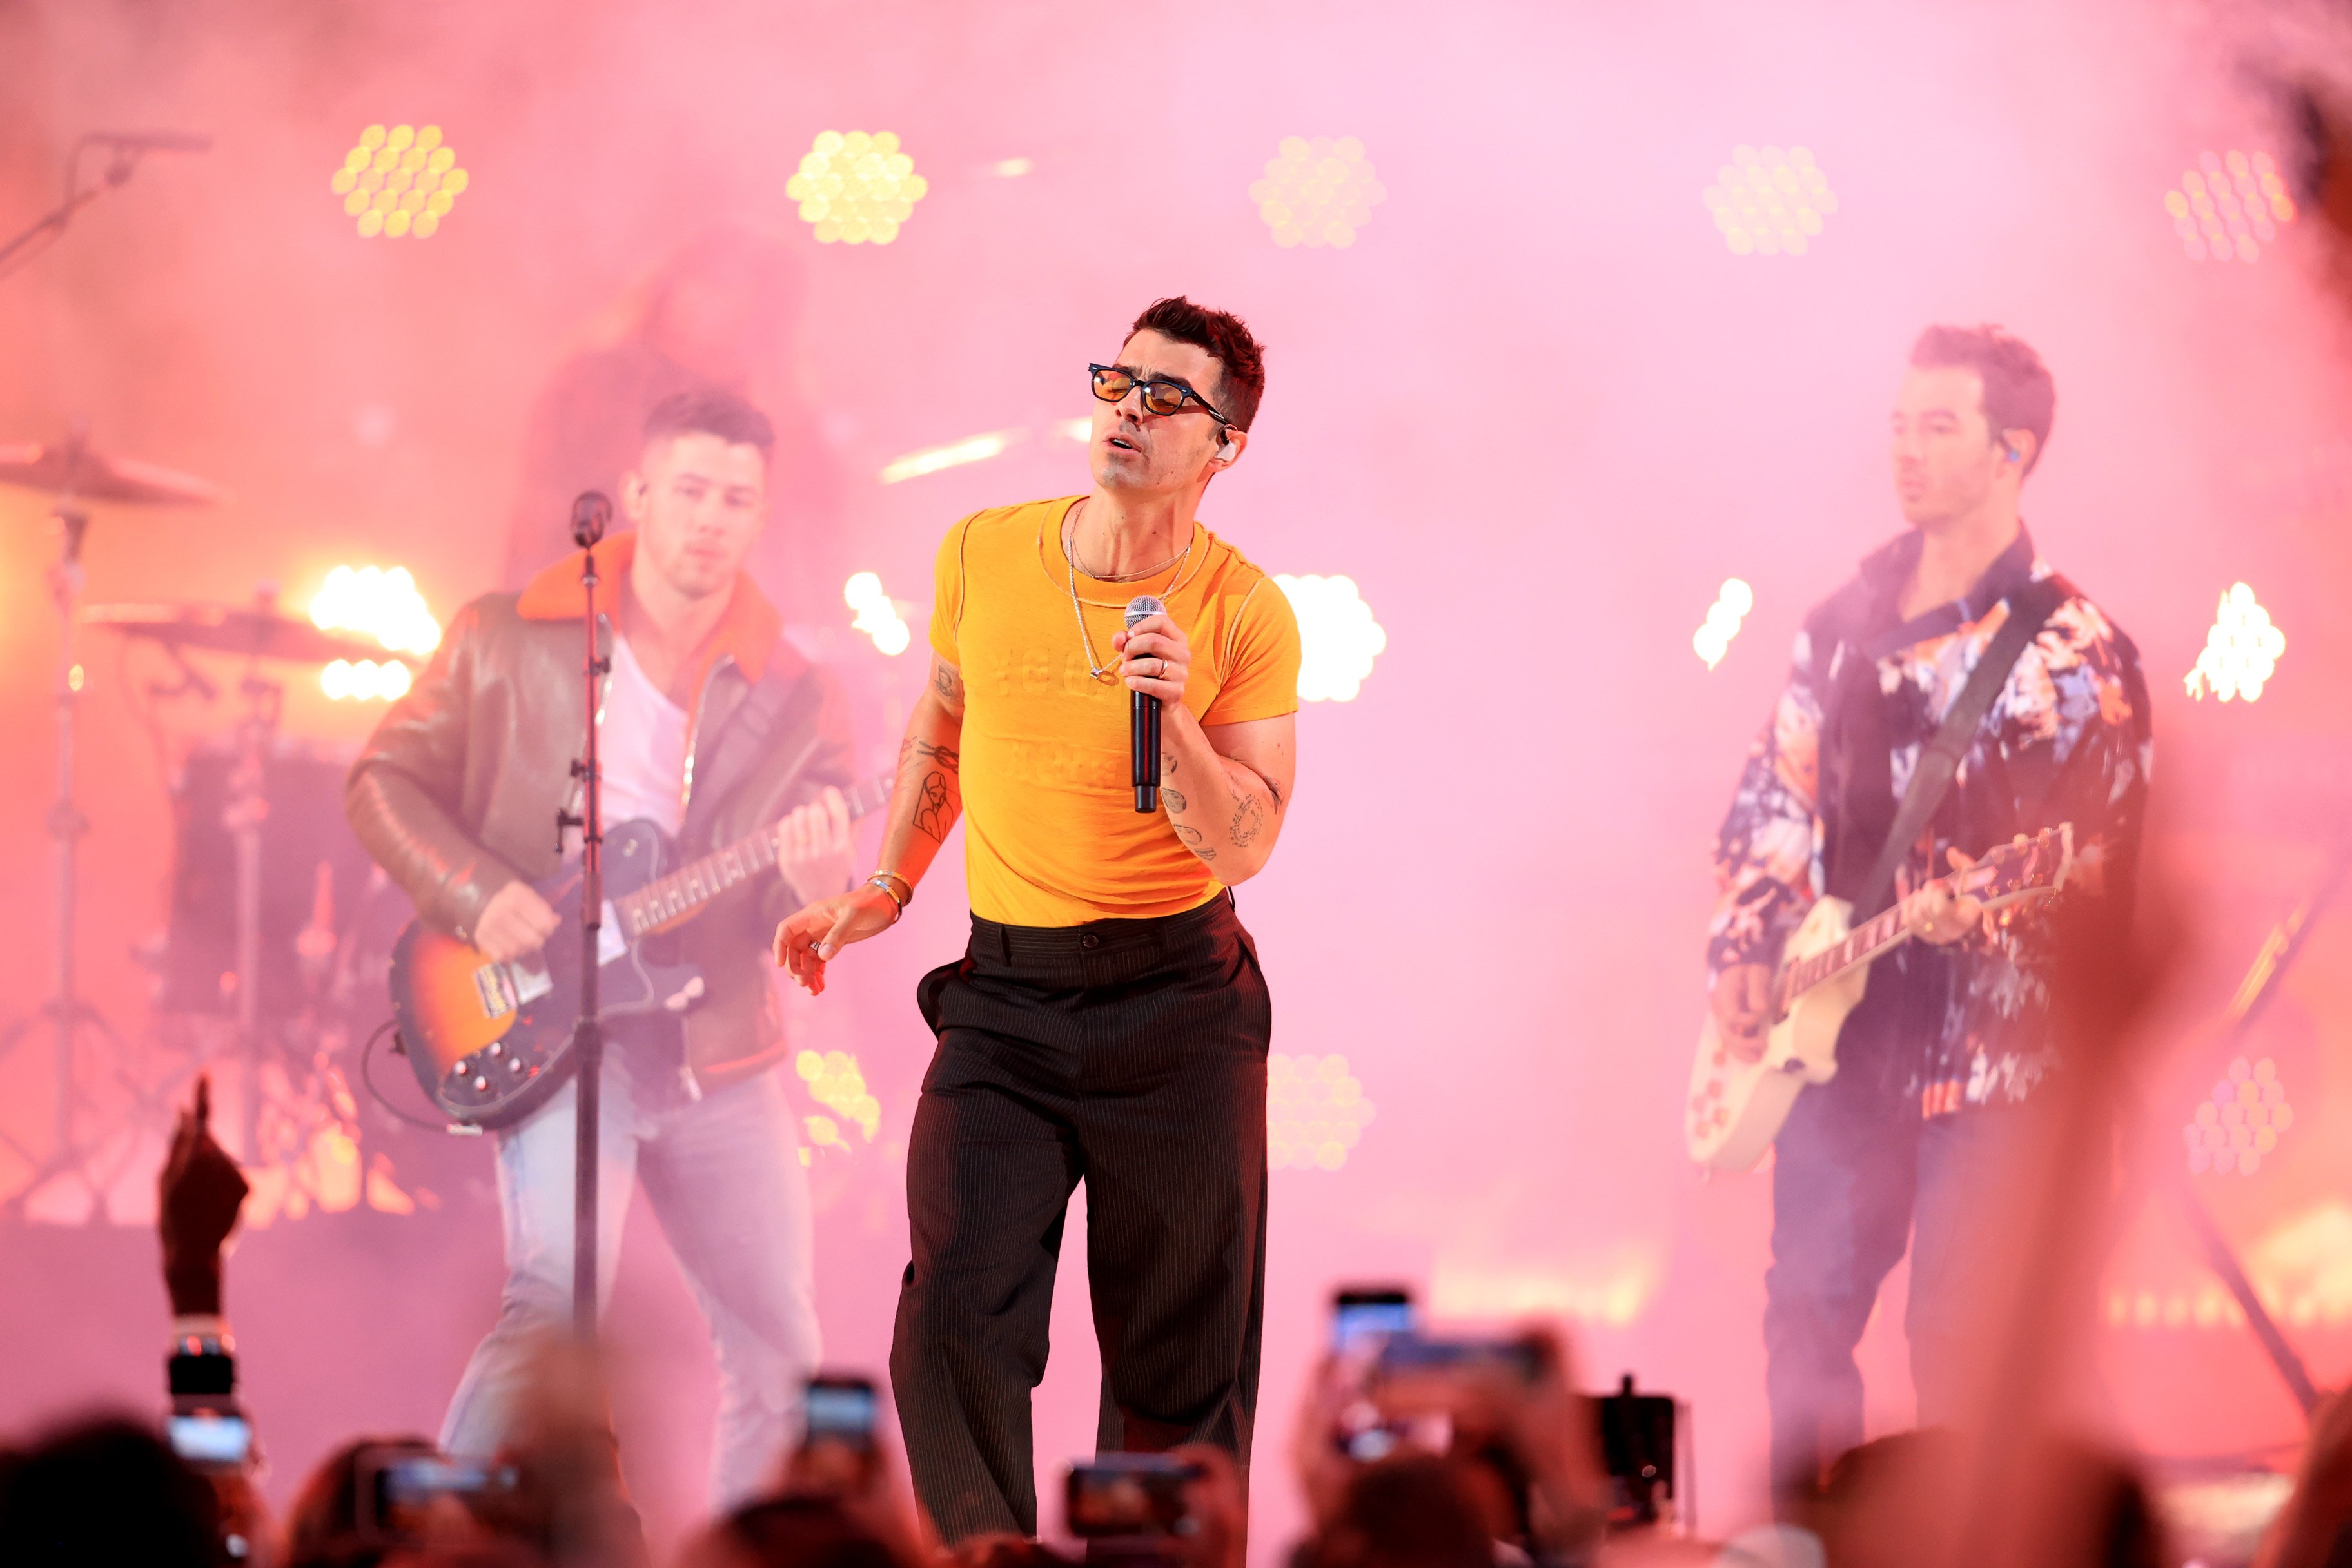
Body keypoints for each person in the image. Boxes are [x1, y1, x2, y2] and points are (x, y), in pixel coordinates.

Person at [775, 297, 1303, 1540]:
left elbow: (1247, 844)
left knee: (1181, 1365)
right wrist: (887, 884)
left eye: (1167, 396)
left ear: (1224, 443)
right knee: (950, 1316)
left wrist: (1171, 717)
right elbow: (941, 724)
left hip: (1178, 1005)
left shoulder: (1244, 613)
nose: (1129, 407)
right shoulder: (980, 551)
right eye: (1119, 380)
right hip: (1006, 998)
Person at [348, 386, 859, 1508]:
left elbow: (799, 889)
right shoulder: (508, 635)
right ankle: (426, 1542)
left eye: (736, 499)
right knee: (551, 1308)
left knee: (781, 1343)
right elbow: (382, 781)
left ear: (762, 514)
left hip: (718, 1041)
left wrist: (821, 886)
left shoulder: (792, 690)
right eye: (688, 490)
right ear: (636, 495)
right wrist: (478, 895)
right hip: (559, 1023)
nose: (711, 519)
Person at [1704, 325, 2153, 1498]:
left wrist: (2000, 926)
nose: (1903, 449)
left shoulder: (2076, 653)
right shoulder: (1838, 626)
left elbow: (2102, 876)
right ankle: (1806, 1540)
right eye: (1897, 422)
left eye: (1936, 426)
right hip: (1836, 1053)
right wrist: (1751, 944)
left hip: (1995, 1074)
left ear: (2012, 452)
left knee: (1958, 1348)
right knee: (1802, 1320)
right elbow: (1773, 794)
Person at [499, 227, 843, 625]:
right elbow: (541, 514)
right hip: (588, 618)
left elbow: (810, 550)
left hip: (727, 640)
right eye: (705, 281)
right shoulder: (595, 385)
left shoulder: (784, 415)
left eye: (737, 288)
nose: (714, 301)